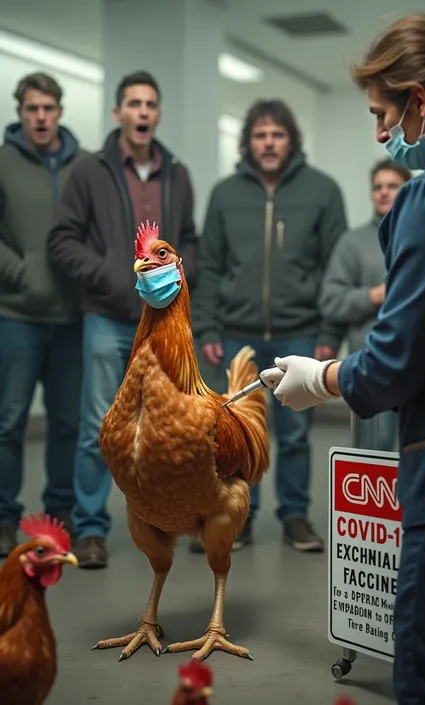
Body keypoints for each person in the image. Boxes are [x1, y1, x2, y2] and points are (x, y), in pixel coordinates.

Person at [263, 13, 425, 705]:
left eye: (384, 114)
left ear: (420, 100)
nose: (381, 136)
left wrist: (316, 378)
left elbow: (392, 363)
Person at [48, 70, 198, 569]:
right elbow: (62, 241)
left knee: (174, 426)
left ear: (157, 114)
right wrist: (111, 277)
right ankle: (90, 529)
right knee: (102, 425)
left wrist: (180, 275)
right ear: (118, 114)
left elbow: (191, 240)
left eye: (150, 104)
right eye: (133, 103)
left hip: (164, 328)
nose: (142, 111)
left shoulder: (176, 171)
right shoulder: (90, 172)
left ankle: (172, 516)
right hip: (109, 318)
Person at [191, 99, 347, 553]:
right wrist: (207, 330)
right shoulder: (225, 194)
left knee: (296, 433)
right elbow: (210, 268)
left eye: (277, 134)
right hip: (236, 333)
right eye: (260, 135)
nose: (269, 142)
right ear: (248, 142)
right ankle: (237, 518)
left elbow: (334, 267)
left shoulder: (322, 190)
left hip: (299, 331)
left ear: (291, 140)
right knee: (236, 433)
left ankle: (295, 516)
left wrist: (328, 335)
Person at [0, 72, 86, 557]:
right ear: (20, 112)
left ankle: (59, 515)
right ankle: (3, 518)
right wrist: (22, 273)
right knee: (8, 421)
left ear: (59, 110)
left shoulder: (86, 165)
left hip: (72, 316)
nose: (40, 117)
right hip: (16, 315)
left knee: (67, 423)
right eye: (32, 108)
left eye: (48, 108)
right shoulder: (3, 162)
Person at [319, 158, 412, 452]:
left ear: (408, 189)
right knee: (373, 454)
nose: (384, 192)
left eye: (392, 186)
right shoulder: (353, 243)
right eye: (378, 187)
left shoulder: (424, 235)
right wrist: (374, 295)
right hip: (370, 368)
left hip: (420, 366)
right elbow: (331, 301)